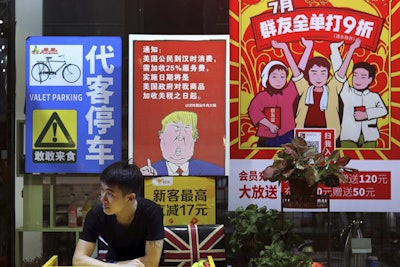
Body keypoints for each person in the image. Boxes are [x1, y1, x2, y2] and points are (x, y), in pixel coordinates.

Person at [72, 160, 165, 266]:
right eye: (102, 191)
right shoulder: (95, 215)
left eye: (110, 194)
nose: (103, 199)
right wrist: (117, 266)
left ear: (130, 198)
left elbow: (151, 262)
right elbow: (78, 260)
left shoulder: (151, 212)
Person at [272, 38, 361, 139]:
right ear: (308, 74)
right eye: (314, 73)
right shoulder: (305, 88)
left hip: (329, 134)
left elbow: (341, 72)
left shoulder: (332, 88)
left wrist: (352, 49)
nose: (318, 77)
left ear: (328, 75)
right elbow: (295, 70)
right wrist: (285, 48)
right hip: (304, 133)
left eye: (323, 73)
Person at [247, 39, 312, 147]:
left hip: (288, 135)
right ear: (267, 78)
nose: (279, 80)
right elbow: (253, 111)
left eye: (282, 76)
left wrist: (307, 48)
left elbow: (298, 71)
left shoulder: (289, 91)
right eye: (274, 76)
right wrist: (269, 125)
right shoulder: (262, 96)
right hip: (268, 137)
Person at [329, 41, 388, 148]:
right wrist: (334, 50)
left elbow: (383, 110)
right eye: (355, 75)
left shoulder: (374, 96)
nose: (357, 80)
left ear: (370, 79)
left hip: (370, 136)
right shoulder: (346, 91)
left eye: (363, 77)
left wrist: (367, 114)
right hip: (348, 136)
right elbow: (339, 73)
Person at [140, 110, 225, 176]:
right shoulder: (148, 172)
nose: (180, 136)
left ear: (194, 138)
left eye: (186, 129)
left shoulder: (214, 170)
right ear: (161, 136)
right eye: (175, 129)